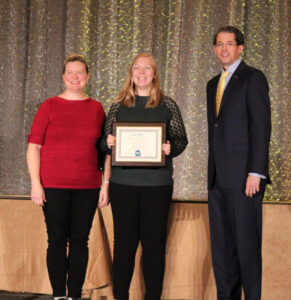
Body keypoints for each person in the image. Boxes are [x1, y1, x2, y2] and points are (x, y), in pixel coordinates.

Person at [101, 53, 188, 300]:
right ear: (131, 73)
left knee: (154, 246)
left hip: (157, 186)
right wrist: (107, 141)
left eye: (147, 68)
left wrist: (172, 147)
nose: (141, 72)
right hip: (122, 185)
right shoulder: (118, 106)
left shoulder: (167, 104)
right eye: (137, 68)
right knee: (124, 245)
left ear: (154, 74)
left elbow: (181, 140)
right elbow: (102, 144)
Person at [26, 54, 110, 300]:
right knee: (56, 241)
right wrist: (35, 184)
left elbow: (106, 149)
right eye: (70, 72)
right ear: (63, 77)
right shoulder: (49, 106)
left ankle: (74, 294)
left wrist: (105, 183)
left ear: (87, 77)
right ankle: (58, 295)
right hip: (53, 185)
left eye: (80, 73)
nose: (75, 77)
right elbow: (34, 147)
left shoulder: (96, 108)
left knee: (80, 241)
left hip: (88, 185)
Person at [206, 26, 271, 300]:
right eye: (219, 44)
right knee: (223, 251)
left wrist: (256, 172)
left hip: (246, 178)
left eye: (229, 44)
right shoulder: (212, 84)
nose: (224, 49)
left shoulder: (253, 78)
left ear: (240, 48)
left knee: (246, 247)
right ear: (214, 49)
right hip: (218, 178)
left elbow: (261, 127)